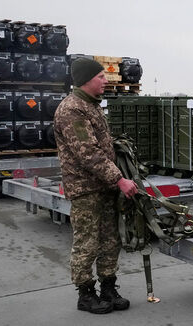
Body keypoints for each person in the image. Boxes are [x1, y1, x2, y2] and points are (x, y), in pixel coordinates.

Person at [54, 58, 138, 314]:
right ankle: (86, 293)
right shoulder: (72, 110)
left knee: (110, 240)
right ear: (86, 79)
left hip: (104, 186)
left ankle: (108, 287)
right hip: (86, 189)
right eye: (101, 76)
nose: (105, 80)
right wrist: (119, 179)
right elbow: (88, 152)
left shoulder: (91, 106)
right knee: (87, 242)